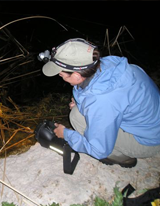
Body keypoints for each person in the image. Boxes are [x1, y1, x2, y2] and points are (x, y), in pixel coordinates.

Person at [40, 38, 160, 168]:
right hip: (151, 127)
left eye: (61, 74)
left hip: (148, 142)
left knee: (76, 117)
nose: (60, 76)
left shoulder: (101, 100)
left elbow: (98, 149)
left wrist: (66, 134)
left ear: (76, 75)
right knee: (80, 111)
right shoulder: (110, 66)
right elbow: (109, 101)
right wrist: (82, 104)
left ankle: (123, 158)